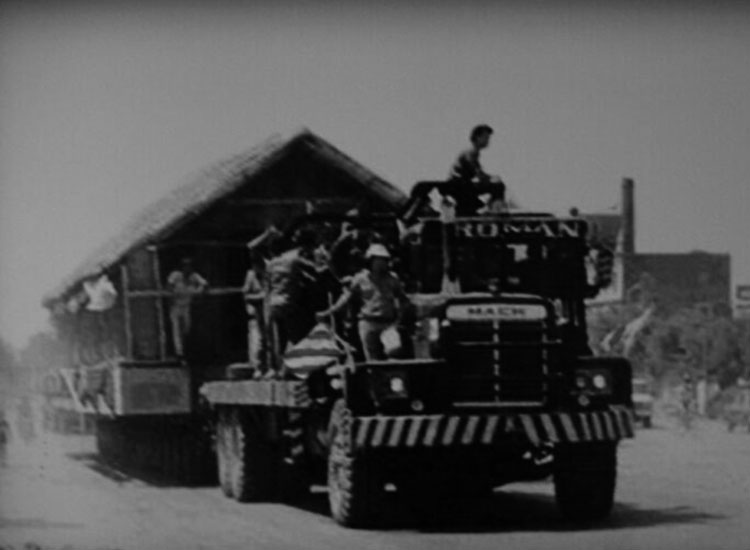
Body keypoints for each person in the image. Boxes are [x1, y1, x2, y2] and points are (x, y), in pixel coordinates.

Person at [316, 244, 409, 361]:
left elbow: (403, 300)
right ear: (371, 260)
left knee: (393, 351)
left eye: (384, 260)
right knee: (372, 358)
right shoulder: (361, 278)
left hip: (388, 323)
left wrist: (399, 319)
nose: (382, 263)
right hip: (368, 322)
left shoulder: (393, 279)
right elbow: (346, 298)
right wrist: (329, 312)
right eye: (378, 259)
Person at [266, 228, 320, 360]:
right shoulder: (294, 260)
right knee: (297, 336)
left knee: (280, 340)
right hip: (289, 303)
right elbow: (316, 269)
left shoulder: (271, 264)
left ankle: (280, 366)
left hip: (274, 303)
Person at [166, 258, 208, 358]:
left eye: (189, 266)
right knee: (176, 330)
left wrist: (199, 292)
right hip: (176, 306)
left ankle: (185, 350)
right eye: (185, 266)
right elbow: (169, 285)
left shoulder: (194, 276)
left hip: (186, 307)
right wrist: (171, 296)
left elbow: (205, 284)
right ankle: (179, 353)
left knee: (186, 330)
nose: (187, 268)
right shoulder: (176, 275)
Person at [242, 252, 267, 371]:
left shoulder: (268, 272)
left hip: (267, 313)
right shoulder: (251, 275)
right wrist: (261, 297)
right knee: (256, 341)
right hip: (256, 313)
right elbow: (246, 295)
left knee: (268, 341)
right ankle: (257, 367)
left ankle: (269, 367)